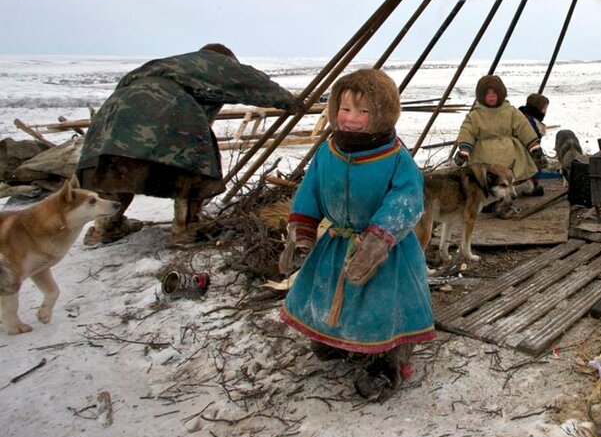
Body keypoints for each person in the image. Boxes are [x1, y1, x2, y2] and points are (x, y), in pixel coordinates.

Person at [278, 69, 436, 400]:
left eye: (363, 112)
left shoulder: (395, 157)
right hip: (338, 241)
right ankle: (337, 338)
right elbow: (311, 189)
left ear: (381, 114)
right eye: (345, 109)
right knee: (329, 293)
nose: (351, 119)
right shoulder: (328, 151)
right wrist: (302, 230)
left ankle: (387, 363)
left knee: (384, 306)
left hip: (386, 252)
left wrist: (378, 240)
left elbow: (407, 200)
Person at [76, 43, 299, 247]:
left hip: (114, 113)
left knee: (116, 165)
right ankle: (186, 229)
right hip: (164, 108)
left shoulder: (168, 65)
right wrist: (289, 101)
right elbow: (248, 80)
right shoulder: (214, 61)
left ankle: (106, 227)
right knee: (193, 163)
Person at [454, 76, 548, 196]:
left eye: (494, 93)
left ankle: (507, 198)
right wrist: (464, 150)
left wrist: (535, 148)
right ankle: (487, 199)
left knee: (508, 178)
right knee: (486, 179)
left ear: (501, 93)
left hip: (508, 154)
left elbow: (524, 128)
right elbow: (467, 131)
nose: (491, 96)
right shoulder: (475, 115)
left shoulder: (511, 112)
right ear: (481, 95)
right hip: (484, 155)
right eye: (487, 93)